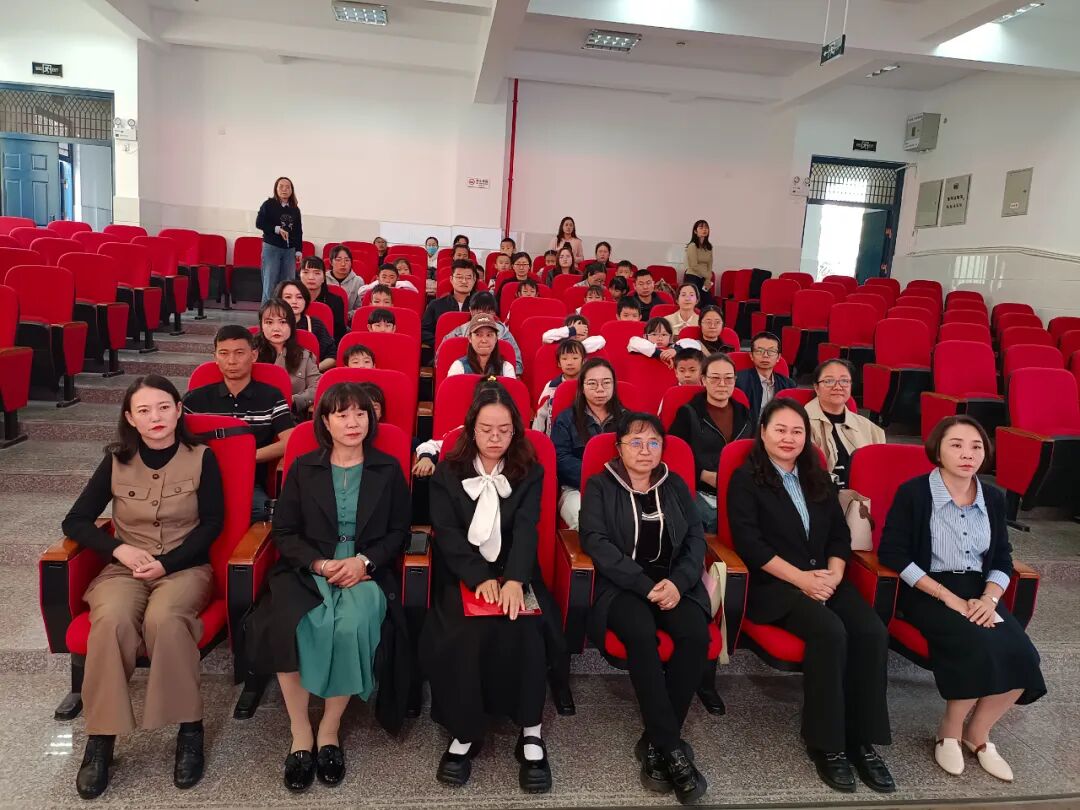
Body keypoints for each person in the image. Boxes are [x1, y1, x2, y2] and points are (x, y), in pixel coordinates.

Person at [62, 376, 224, 800]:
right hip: (125, 569)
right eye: (145, 410)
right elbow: (75, 521)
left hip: (184, 568)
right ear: (130, 418)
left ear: (179, 410)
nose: (156, 417)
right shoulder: (115, 461)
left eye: (164, 407)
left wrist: (168, 563)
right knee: (111, 621)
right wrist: (119, 550)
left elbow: (212, 524)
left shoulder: (202, 458)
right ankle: (101, 739)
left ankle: (189, 730)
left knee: (166, 619)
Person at [245, 383, 412, 792]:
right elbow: (285, 532)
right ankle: (300, 730)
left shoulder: (388, 469)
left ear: (371, 419)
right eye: (342, 414)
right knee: (292, 622)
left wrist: (364, 562)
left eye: (360, 414)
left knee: (350, 625)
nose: (353, 422)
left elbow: (399, 532)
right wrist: (319, 563)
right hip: (309, 567)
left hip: (365, 569)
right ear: (325, 421)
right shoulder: (304, 468)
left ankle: (330, 728)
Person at [728, 398, 893, 794]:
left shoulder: (817, 475)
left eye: (797, 431)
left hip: (825, 577)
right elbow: (750, 545)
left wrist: (834, 575)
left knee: (872, 631)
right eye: (780, 430)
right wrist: (802, 580)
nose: (789, 438)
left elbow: (839, 535)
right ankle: (827, 744)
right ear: (763, 432)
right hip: (775, 585)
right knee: (829, 632)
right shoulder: (745, 479)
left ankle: (860, 739)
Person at [879, 416, 1045, 783]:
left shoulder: (993, 498)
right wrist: (949, 598)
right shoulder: (914, 493)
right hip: (927, 589)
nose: (967, 454)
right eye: (956, 445)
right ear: (937, 450)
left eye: (976, 447)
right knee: (976, 645)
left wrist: (989, 598)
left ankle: (978, 734)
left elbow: (1002, 557)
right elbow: (892, 553)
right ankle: (949, 731)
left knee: (1024, 656)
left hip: (978, 590)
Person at [420, 382, 556, 792]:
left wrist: (514, 579)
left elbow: (527, 529)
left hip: (516, 569)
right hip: (463, 571)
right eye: (486, 430)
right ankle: (464, 732)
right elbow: (446, 532)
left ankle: (530, 731)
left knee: (526, 626)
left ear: (516, 430)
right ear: (471, 429)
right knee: (465, 632)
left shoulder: (530, 470)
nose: (495, 438)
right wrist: (479, 577)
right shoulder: (447, 472)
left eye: (504, 430)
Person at [579, 412, 711, 804]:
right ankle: (672, 748)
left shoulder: (675, 484)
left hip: (673, 584)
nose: (644, 450)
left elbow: (695, 540)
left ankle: (654, 742)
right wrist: (643, 584)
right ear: (618, 447)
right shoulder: (600, 485)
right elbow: (595, 541)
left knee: (695, 634)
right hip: (623, 585)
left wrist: (679, 583)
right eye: (635, 442)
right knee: (640, 633)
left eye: (653, 442)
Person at [182, 325, 295, 521]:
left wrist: (246, 458)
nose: (232, 361)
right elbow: (178, 441)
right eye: (224, 353)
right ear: (215, 357)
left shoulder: (271, 396)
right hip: (198, 479)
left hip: (248, 481)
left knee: (262, 512)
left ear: (254, 355)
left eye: (239, 353)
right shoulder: (194, 400)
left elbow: (290, 440)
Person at [669, 353, 749, 532]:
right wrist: (703, 474)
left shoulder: (745, 414)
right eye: (715, 378)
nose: (722, 384)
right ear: (703, 380)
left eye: (728, 378)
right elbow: (674, 456)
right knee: (718, 522)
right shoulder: (688, 413)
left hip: (739, 489)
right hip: (701, 490)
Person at [550, 358, 625, 530]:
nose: (600, 389)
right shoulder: (566, 419)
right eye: (592, 383)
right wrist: (596, 478)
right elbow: (560, 458)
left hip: (621, 488)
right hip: (576, 488)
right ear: (582, 387)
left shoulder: (628, 419)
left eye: (606, 383)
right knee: (586, 520)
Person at [806, 359, 884, 487]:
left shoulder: (869, 428)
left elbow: (879, 472)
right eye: (829, 381)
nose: (838, 387)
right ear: (816, 387)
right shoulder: (800, 424)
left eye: (844, 381)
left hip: (861, 496)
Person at [255, 299, 321, 416]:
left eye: (283, 322)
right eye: (269, 322)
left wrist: (294, 399)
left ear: (292, 325)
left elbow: (317, 387)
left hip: (292, 415)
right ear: (261, 325)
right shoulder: (251, 354)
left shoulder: (304, 356)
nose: (276, 328)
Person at [439, 292, 523, 374]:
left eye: (488, 313)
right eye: (479, 313)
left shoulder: (504, 333)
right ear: (471, 311)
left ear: (494, 313)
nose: (484, 316)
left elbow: (518, 365)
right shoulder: (458, 332)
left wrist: (504, 371)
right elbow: (440, 360)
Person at [256, 177, 303, 304]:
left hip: (289, 250)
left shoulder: (295, 209)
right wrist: (276, 229)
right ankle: (267, 312)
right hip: (272, 248)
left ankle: (286, 312)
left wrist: (298, 250)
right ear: (276, 189)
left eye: (288, 187)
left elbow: (298, 231)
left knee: (288, 284)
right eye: (281, 186)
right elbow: (259, 223)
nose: (284, 189)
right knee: (270, 284)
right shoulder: (268, 204)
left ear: (292, 190)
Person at [736, 331, 796, 425]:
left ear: (778, 357)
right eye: (760, 351)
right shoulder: (739, 381)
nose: (765, 355)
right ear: (751, 355)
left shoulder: (788, 385)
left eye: (771, 351)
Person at [274, 280, 336, 371]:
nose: (294, 301)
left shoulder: (316, 325)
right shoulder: (271, 325)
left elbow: (332, 356)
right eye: (288, 297)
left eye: (299, 297)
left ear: (305, 300)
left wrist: (312, 370)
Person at [532, 339, 587, 435]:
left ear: (583, 361)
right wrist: (536, 437)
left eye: (575, 358)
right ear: (559, 363)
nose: (569, 363)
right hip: (554, 436)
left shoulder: (589, 385)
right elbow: (540, 414)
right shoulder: (551, 386)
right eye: (564, 359)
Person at [422, 260, 476, 348]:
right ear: (451, 279)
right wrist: (444, 343)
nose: (464, 281)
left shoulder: (482, 306)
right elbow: (424, 331)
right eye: (459, 277)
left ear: (474, 280)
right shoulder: (436, 305)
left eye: (468, 278)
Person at [447, 315, 516, 378]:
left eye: (489, 335)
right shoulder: (459, 367)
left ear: (496, 338)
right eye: (478, 335)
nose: (484, 340)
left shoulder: (506, 368)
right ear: (470, 338)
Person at [300, 257, 347, 342]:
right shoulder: (291, 301)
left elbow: (339, 335)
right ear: (299, 275)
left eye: (317, 273)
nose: (311, 277)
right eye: (306, 272)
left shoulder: (335, 302)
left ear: (324, 277)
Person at [326, 245, 365, 315]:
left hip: (348, 319)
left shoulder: (358, 281)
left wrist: (347, 316)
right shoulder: (323, 279)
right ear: (331, 262)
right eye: (338, 260)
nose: (343, 264)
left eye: (347, 260)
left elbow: (360, 308)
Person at [684, 220, 713, 300]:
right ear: (695, 231)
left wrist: (708, 279)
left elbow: (710, 264)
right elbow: (694, 265)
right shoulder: (692, 246)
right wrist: (707, 276)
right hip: (693, 277)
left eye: (706, 227)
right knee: (697, 301)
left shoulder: (709, 247)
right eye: (701, 227)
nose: (704, 229)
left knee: (709, 302)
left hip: (704, 278)